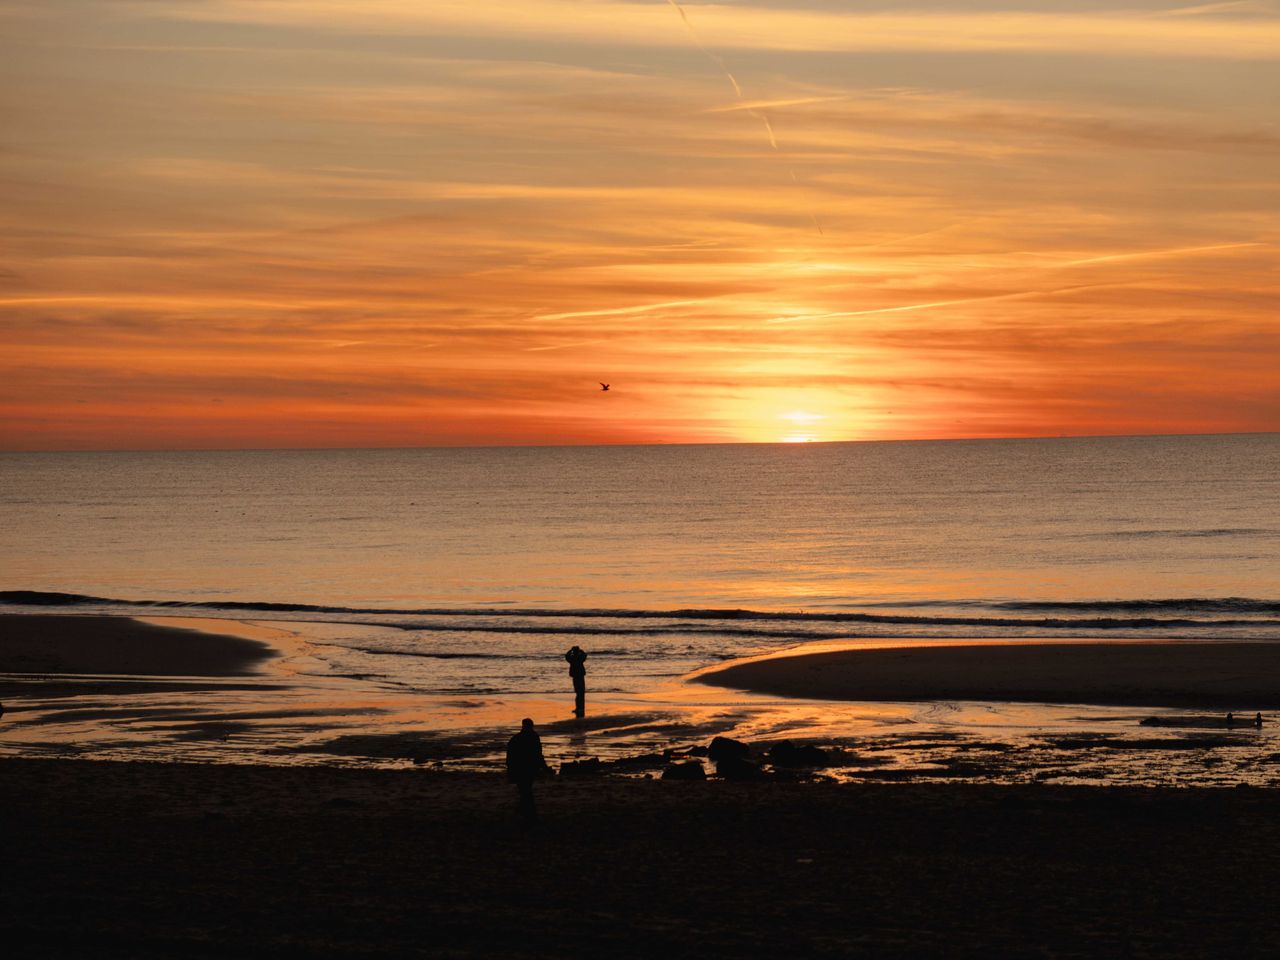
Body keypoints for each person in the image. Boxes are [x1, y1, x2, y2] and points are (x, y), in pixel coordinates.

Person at [506, 718, 549, 823]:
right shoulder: (533, 737)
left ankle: (525, 811)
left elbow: (510, 757)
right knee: (526, 790)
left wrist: (510, 769)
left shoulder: (516, 738)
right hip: (528, 768)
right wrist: (543, 767)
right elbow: (538, 754)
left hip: (521, 768)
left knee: (524, 790)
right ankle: (529, 813)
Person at [565, 645, 588, 717]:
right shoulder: (580, 658)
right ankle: (580, 708)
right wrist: (580, 651)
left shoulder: (572, 659)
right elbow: (585, 655)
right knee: (581, 693)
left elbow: (566, 656)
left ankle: (579, 708)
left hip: (576, 676)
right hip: (580, 676)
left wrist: (570, 650)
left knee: (578, 693)